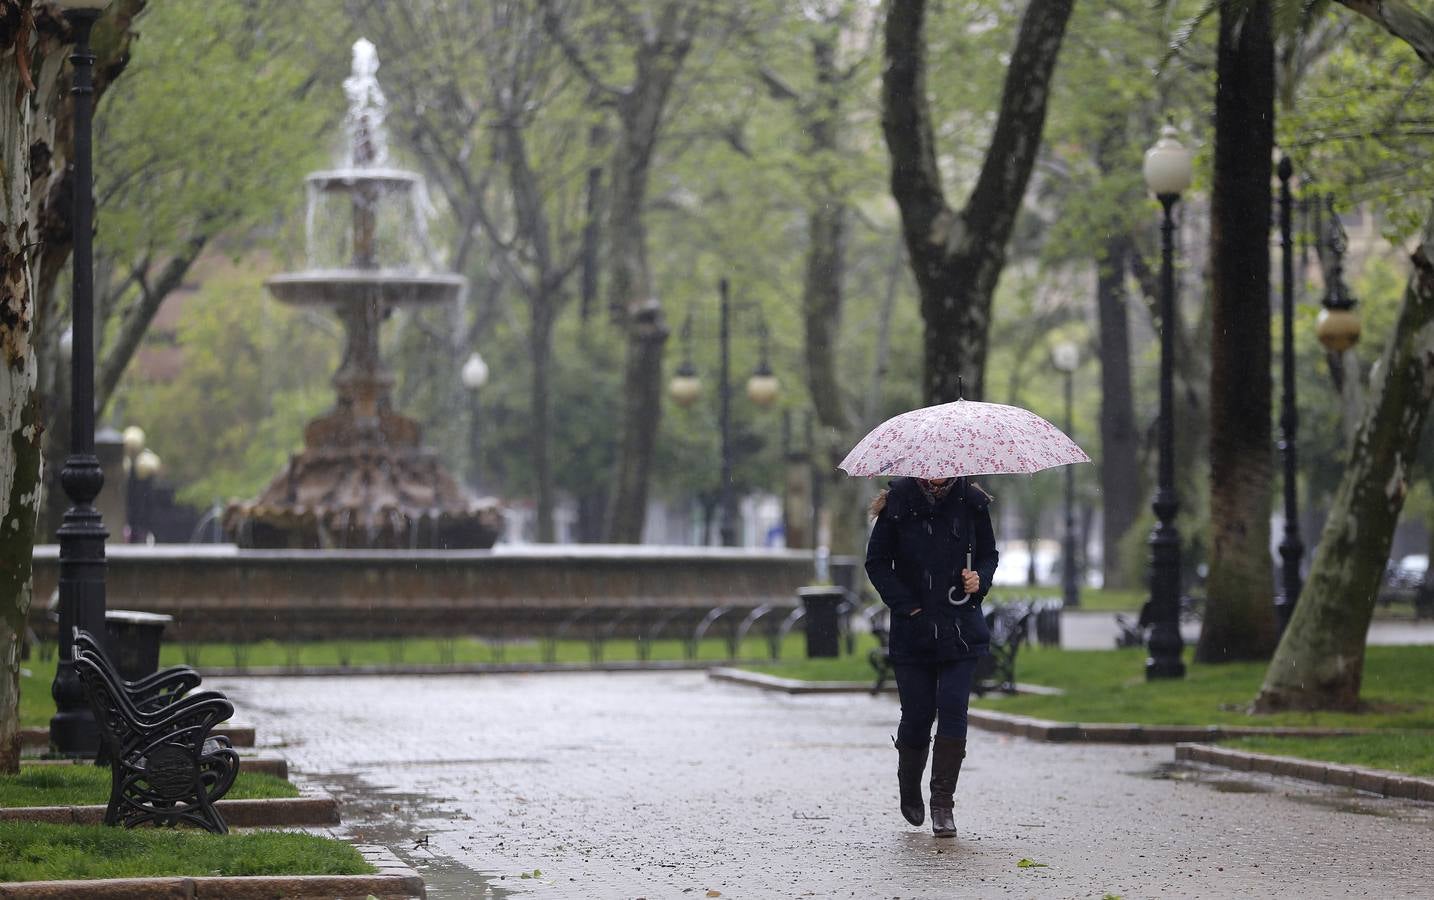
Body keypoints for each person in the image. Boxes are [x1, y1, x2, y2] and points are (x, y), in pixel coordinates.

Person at [865, 474, 998, 838]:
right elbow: (876, 563)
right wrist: (908, 608)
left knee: (954, 709)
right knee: (918, 715)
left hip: (960, 626)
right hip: (915, 630)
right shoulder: (897, 504)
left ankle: (943, 803)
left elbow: (988, 554)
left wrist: (979, 581)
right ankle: (909, 786)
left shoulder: (972, 501)